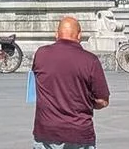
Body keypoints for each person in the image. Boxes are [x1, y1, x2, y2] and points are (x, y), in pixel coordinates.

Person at [31, 17, 110, 149]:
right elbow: (103, 101)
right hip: (79, 132)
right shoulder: (90, 61)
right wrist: (85, 102)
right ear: (79, 35)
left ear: (56, 34)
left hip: (47, 131)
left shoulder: (41, 54)